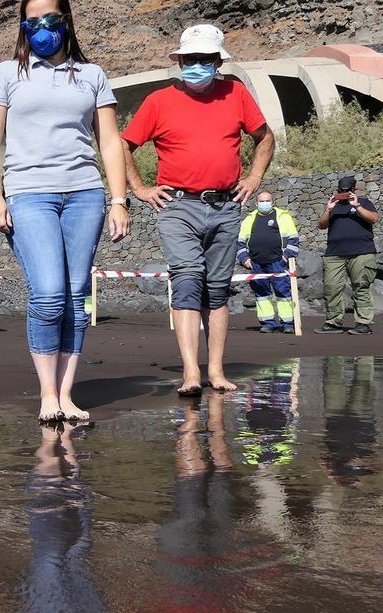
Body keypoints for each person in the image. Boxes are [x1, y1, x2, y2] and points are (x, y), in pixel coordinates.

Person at [0, 0, 130, 423]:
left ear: (66, 20)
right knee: (48, 294)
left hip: (84, 194)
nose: (41, 27)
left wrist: (118, 200)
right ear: (23, 27)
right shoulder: (8, 74)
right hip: (28, 194)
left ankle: (66, 395)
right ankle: (47, 394)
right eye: (32, 21)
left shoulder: (92, 75)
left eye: (49, 19)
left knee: (76, 297)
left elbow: (111, 142)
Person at [122, 23, 274, 395]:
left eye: (205, 60)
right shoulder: (159, 100)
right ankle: (191, 373)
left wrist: (254, 177)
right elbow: (124, 145)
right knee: (188, 280)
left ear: (218, 62)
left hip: (225, 204)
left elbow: (264, 137)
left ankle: (217, 372)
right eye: (190, 59)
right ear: (179, 60)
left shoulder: (236, 93)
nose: (196, 66)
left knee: (217, 289)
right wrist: (139, 188)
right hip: (179, 205)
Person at [315, 176, 380, 335]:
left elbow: (374, 219)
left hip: (362, 253)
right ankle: (333, 322)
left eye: (347, 191)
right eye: (341, 191)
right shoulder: (334, 206)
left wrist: (356, 206)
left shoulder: (363, 203)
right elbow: (321, 225)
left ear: (354, 190)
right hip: (335, 253)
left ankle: (363, 323)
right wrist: (328, 208)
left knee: (361, 287)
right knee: (331, 287)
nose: (344, 194)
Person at [236, 191, 299, 333]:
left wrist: (286, 257)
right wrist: (245, 259)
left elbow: (293, 239)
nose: (265, 203)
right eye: (262, 201)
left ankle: (288, 323)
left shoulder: (283, 216)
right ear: (257, 203)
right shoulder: (249, 219)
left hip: (278, 262)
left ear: (273, 201)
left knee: (283, 292)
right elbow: (240, 242)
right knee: (261, 294)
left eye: (267, 201)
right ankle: (268, 323)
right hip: (256, 263)